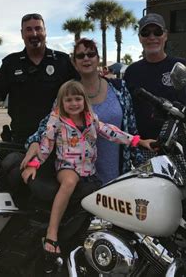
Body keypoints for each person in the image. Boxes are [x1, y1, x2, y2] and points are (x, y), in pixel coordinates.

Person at [20, 80, 154, 255]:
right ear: (62, 102)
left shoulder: (91, 119)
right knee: (69, 182)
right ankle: (51, 232)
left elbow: (111, 132)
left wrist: (138, 141)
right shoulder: (57, 120)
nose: (74, 103)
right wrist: (33, 164)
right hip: (67, 166)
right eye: (68, 100)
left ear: (84, 101)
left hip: (89, 170)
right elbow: (46, 144)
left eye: (77, 99)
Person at [26, 38, 145, 184]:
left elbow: (131, 128)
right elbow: (48, 125)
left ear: (98, 59)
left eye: (91, 54)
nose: (86, 58)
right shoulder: (68, 95)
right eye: (81, 56)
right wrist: (34, 142)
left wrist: (140, 162)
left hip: (117, 176)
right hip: (82, 180)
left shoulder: (119, 89)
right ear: (74, 63)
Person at [0, 13, 76, 147]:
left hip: (60, 140)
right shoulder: (11, 63)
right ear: (22, 34)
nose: (34, 33)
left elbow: (82, 91)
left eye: (38, 28)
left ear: (45, 31)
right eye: (29, 29)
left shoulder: (62, 61)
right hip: (21, 140)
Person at [124, 13, 186, 139]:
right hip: (145, 146)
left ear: (165, 35)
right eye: (146, 33)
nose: (152, 37)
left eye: (157, 32)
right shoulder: (132, 71)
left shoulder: (181, 65)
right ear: (140, 38)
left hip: (179, 146)